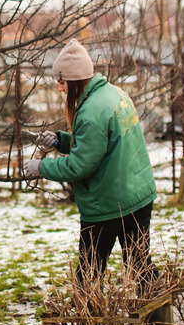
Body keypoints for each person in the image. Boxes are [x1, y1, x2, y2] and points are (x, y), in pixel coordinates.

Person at [23, 39, 158, 288]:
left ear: (74, 81)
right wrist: (61, 141)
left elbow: (79, 166)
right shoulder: (114, 93)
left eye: (62, 83)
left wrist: (41, 168)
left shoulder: (90, 112)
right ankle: (159, 322)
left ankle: (88, 324)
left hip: (107, 203)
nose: (61, 89)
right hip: (137, 195)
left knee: (89, 272)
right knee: (140, 265)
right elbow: (102, 144)